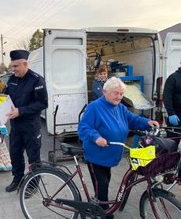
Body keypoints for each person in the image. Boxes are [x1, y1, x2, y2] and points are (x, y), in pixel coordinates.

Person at [78, 77, 159, 219]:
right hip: (96, 155)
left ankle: (100, 204)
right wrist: (96, 137)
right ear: (105, 92)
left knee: (105, 182)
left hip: (110, 155)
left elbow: (133, 119)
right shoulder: (94, 107)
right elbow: (83, 127)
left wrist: (148, 122)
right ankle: (101, 212)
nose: (119, 97)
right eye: (116, 93)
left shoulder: (120, 107)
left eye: (121, 94)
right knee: (101, 184)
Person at [4, 49, 48, 192]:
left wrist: (21, 111)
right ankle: (17, 180)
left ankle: (34, 185)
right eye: (12, 66)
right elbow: (6, 96)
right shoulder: (12, 79)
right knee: (15, 155)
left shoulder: (36, 80)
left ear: (25, 64)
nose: (13, 69)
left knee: (33, 158)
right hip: (15, 126)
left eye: (16, 66)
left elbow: (43, 103)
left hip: (30, 127)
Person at [163, 66, 181, 144]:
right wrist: (171, 113)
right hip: (176, 116)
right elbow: (167, 96)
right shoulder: (173, 78)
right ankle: (170, 156)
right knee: (172, 143)